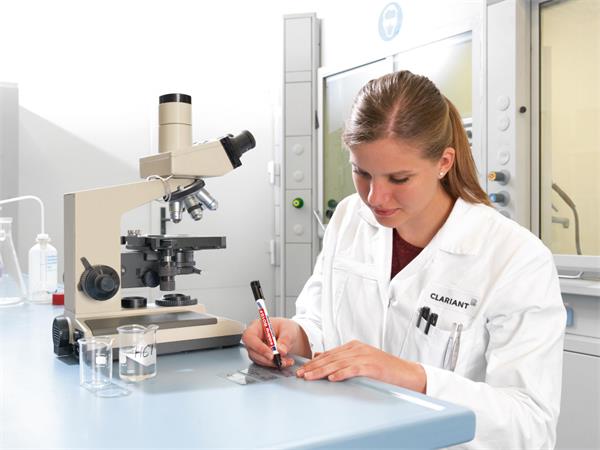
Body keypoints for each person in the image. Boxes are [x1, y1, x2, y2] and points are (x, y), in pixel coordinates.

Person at [242, 70, 565, 449]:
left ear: (444, 162)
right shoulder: (349, 217)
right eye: (362, 172)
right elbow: (320, 322)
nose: (375, 197)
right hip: (345, 436)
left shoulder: (515, 258)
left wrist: (412, 377)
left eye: (399, 179)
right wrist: (294, 337)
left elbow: (530, 425)